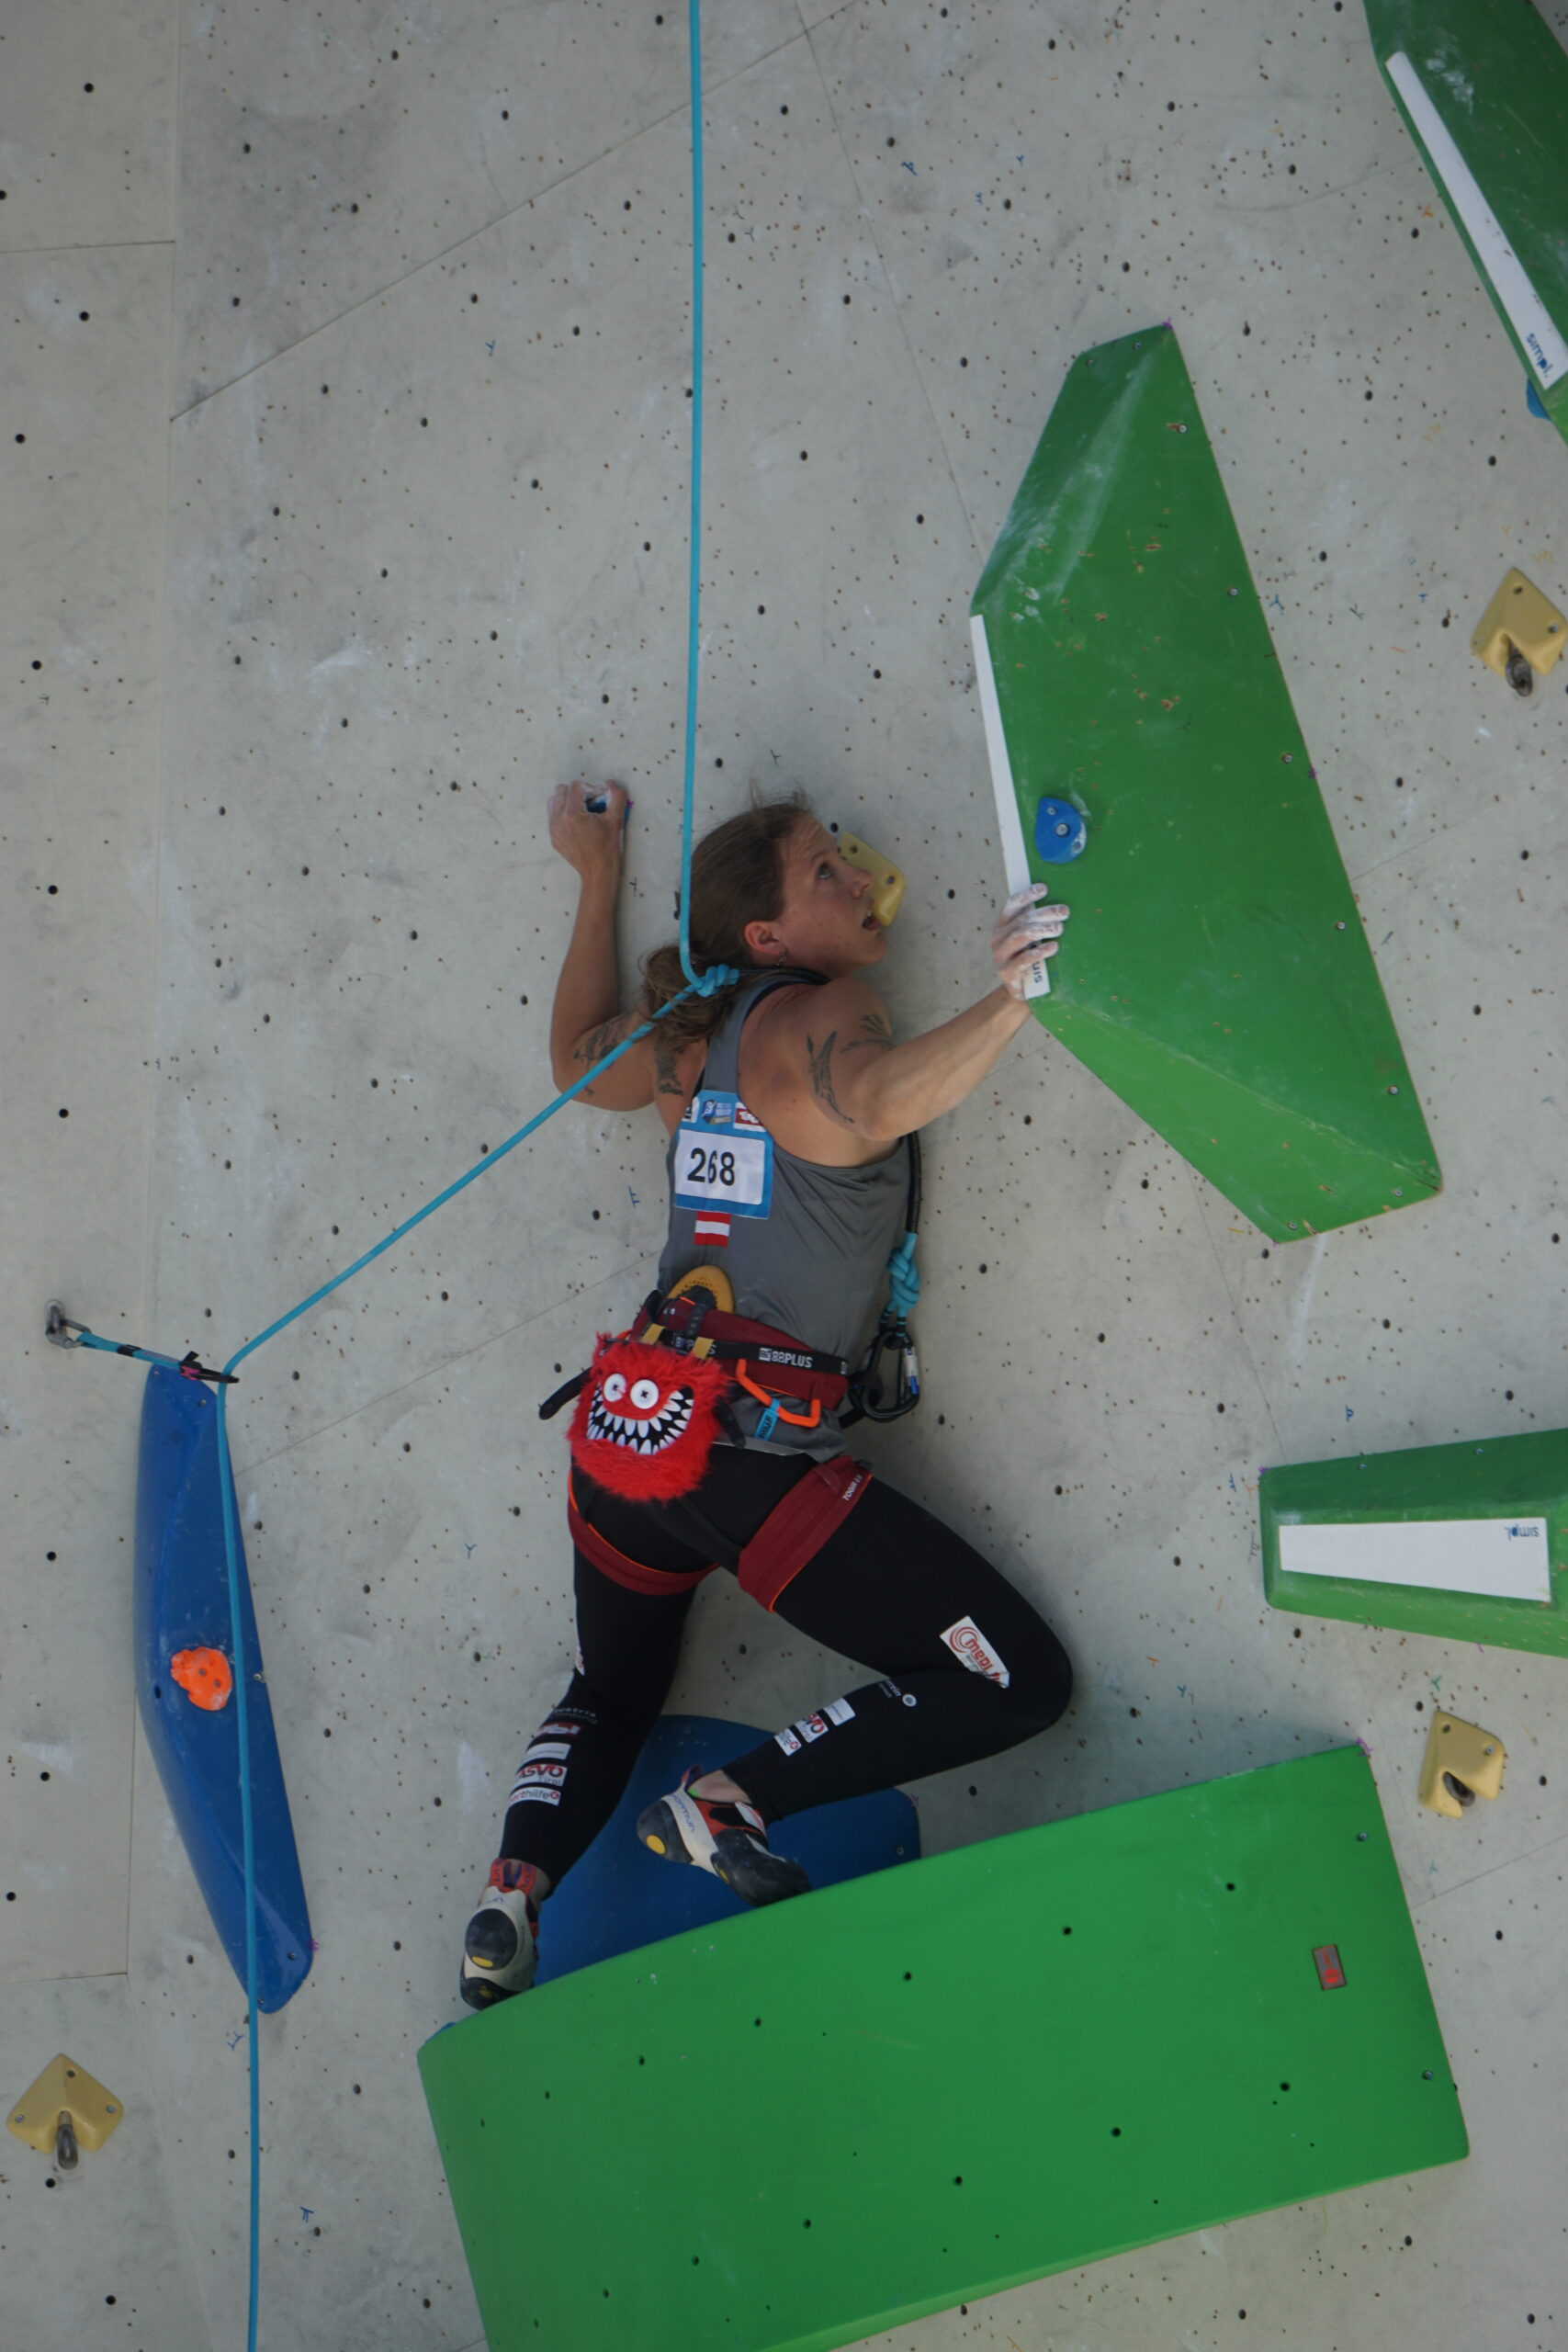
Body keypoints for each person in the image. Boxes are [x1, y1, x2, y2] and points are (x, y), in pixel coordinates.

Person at [458, 781, 1075, 2007]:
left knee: (612, 1689)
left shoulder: (691, 1041)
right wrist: (1010, 997)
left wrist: (595, 875)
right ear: (770, 941)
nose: (860, 878)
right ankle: (734, 1802)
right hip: (750, 1468)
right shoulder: (815, 1017)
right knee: (1015, 1677)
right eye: (826, 875)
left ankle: (511, 1895)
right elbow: (881, 1097)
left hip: (626, 1448)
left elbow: (581, 1067)